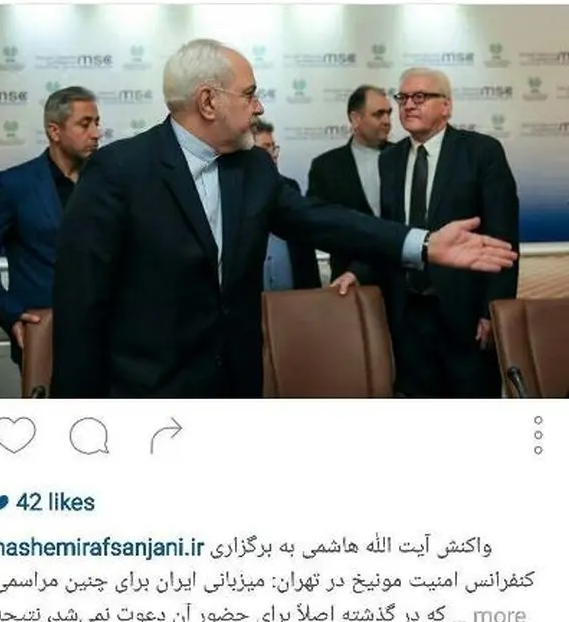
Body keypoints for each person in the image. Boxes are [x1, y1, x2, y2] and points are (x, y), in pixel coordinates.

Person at [50, 39, 517, 400]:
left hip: (236, 390)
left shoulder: (252, 167)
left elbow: (324, 220)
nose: (259, 107)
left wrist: (423, 244)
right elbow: (80, 306)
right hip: (147, 396)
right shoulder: (119, 172)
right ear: (209, 102)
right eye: (249, 95)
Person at [335, 67, 520, 398]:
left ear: (446, 106)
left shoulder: (481, 152)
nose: (408, 105)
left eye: (420, 97)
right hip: (408, 314)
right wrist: (357, 272)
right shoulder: (390, 159)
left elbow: (502, 239)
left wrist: (493, 310)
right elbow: (390, 232)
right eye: (403, 98)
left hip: (465, 315)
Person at [0, 86, 101, 367]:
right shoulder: (13, 185)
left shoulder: (109, 181)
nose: (96, 133)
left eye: (97, 123)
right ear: (55, 131)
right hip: (45, 337)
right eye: (85, 124)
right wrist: (10, 313)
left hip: (107, 338)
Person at [307, 85, 394, 283]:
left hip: (402, 282)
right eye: (378, 114)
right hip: (349, 281)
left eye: (389, 113)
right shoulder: (326, 167)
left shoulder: (405, 158)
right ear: (355, 119)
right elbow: (318, 225)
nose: (387, 121)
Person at [253, 120, 321, 290]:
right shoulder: (233, 192)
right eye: (266, 148)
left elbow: (305, 249)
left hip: (293, 296)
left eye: (274, 147)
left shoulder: (289, 188)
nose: (274, 154)